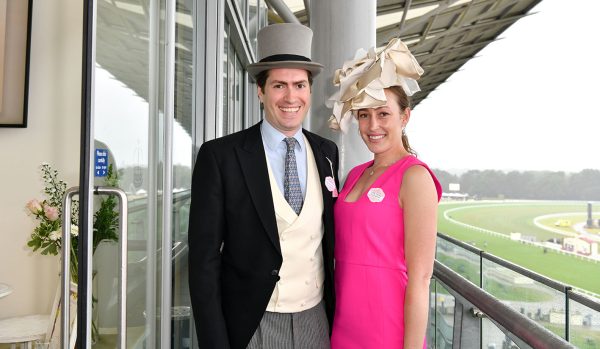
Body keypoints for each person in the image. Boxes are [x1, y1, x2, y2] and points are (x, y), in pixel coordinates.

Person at [188, 23, 339, 349]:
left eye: (299, 84)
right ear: (260, 91)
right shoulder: (221, 156)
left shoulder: (327, 153)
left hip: (316, 318)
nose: (290, 96)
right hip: (252, 320)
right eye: (278, 85)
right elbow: (203, 262)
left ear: (310, 91)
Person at [328, 38, 442, 348]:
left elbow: (420, 280)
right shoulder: (354, 175)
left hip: (387, 331)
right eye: (364, 115)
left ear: (404, 117)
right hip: (343, 328)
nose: (372, 125)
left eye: (383, 114)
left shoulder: (415, 178)